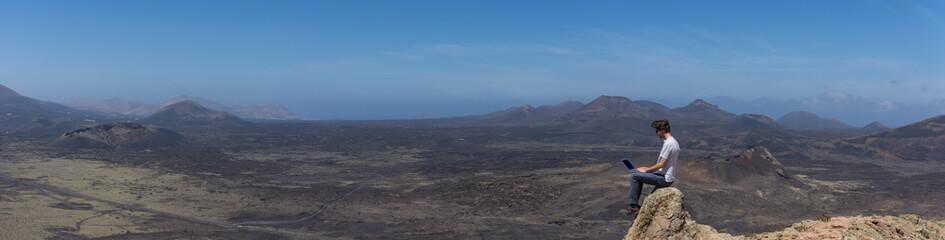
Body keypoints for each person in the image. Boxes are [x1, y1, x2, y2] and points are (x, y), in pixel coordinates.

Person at [621, 118, 679, 215]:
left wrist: (647, 171)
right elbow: (662, 166)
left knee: (634, 176)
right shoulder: (673, 142)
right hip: (664, 175)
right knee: (637, 172)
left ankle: (633, 206)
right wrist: (646, 169)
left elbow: (661, 164)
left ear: (663, 130)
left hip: (664, 179)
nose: (656, 133)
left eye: (657, 131)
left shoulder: (669, 144)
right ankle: (634, 205)